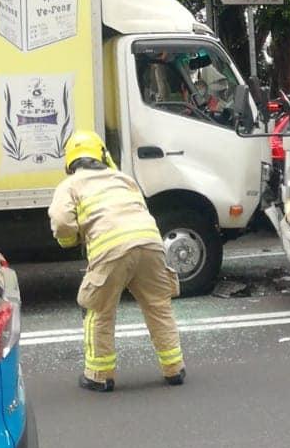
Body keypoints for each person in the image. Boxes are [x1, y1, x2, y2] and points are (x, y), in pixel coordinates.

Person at [48, 130, 185, 392]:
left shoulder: (71, 185)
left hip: (111, 249)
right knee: (158, 305)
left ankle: (99, 376)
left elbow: (62, 222)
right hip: (150, 242)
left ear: (70, 162)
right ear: (102, 155)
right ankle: (174, 368)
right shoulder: (123, 178)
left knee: (97, 309)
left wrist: (69, 241)